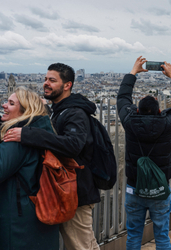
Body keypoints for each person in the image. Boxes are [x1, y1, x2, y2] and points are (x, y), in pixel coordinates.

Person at [4, 63, 101, 250]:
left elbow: (72, 145)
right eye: (45, 79)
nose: (46, 83)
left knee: (81, 246)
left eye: (52, 80)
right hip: (63, 189)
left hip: (74, 191)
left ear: (67, 85)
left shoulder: (75, 113)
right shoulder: (61, 110)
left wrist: (28, 134)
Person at [117, 57, 171, 250]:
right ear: (159, 110)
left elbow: (123, 99)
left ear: (137, 110)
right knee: (162, 235)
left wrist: (133, 72)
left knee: (133, 236)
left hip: (134, 186)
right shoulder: (167, 123)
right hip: (159, 188)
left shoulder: (130, 122)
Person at [0, 88, 59, 250]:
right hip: (41, 213)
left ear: (25, 111)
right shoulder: (43, 133)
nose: (4, 105)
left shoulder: (17, 139)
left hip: (18, 222)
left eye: (11, 103)